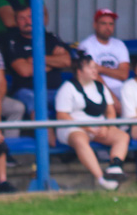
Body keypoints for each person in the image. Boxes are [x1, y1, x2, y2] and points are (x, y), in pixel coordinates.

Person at [54, 55, 128, 190]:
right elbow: (62, 115)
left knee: (122, 136)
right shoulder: (68, 88)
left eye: (95, 67)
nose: (95, 70)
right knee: (80, 140)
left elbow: (110, 112)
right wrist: (88, 128)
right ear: (79, 71)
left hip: (98, 126)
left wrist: (106, 126)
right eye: (91, 68)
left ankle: (114, 167)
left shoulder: (101, 87)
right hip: (73, 127)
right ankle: (102, 178)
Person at [6, 5, 71, 121]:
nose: (27, 21)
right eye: (22, 18)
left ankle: (70, 137)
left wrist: (36, 60)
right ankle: (46, 139)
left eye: (30, 17)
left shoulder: (51, 38)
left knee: (74, 101)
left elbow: (66, 61)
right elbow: (24, 71)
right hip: (27, 91)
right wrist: (52, 63)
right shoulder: (13, 41)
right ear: (16, 22)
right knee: (38, 104)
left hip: (56, 90)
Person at [78, 9, 131, 104]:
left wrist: (100, 68)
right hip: (96, 88)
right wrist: (112, 98)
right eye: (103, 23)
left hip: (120, 89)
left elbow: (123, 75)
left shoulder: (119, 44)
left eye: (111, 24)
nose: (108, 27)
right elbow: (93, 75)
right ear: (95, 25)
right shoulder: (86, 45)